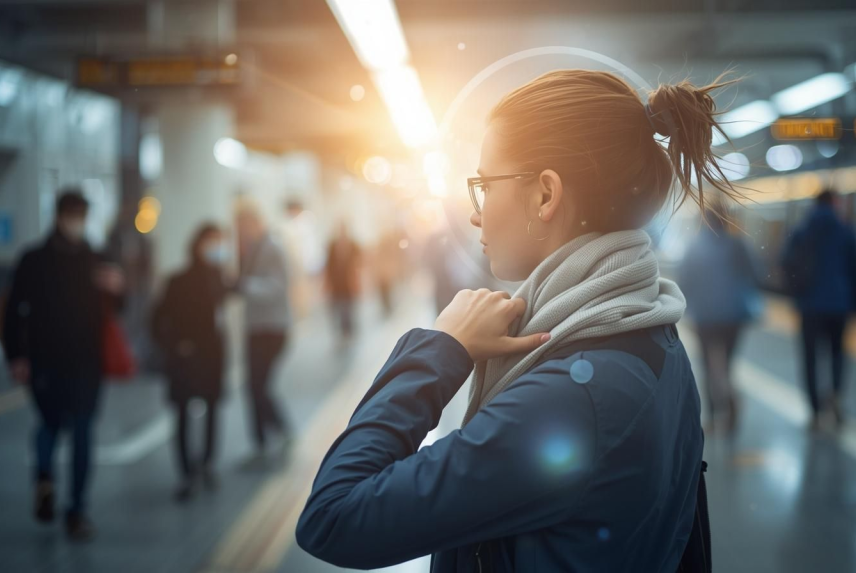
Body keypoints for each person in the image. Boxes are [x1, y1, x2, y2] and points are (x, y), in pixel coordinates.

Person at [297, 69, 741, 571]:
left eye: (485, 184)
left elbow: (333, 517)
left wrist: (441, 347)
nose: (475, 213)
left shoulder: (572, 400)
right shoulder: (653, 332)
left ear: (546, 195)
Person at [2, 190, 124, 541]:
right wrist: (16, 356)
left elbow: (118, 308)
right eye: (73, 215)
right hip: (46, 360)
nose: (77, 223)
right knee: (53, 424)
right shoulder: (34, 260)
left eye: (82, 216)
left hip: (87, 362)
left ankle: (75, 506)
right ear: (58, 216)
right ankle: (52, 486)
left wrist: (116, 289)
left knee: (77, 430)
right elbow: (13, 312)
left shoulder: (96, 258)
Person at [151, 224, 229, 501]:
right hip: (186, 360)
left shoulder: (220, 278)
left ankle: (206, 464)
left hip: (213, 358)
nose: (219, 248)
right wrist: (175, 347)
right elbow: (157, 319)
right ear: (198, 245)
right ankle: (186, 473)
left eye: (221, 242)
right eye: (213, 242)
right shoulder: (179, 280)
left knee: (212, 411)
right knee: (183, 414)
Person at [781, 189, 856, 430]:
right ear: (834, 202)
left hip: (810, 305)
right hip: (839, 304)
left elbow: (786, 262)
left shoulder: (802, 230)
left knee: (810, 358)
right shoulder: (846, 229)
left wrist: (796, 293)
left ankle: (815, 412)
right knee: (837, 353)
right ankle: (835, 395)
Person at [678, 205, 761, 434]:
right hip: (733, 315)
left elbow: (683, 281)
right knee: (727, 364)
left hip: (704, 316)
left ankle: (715, 417)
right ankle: (729, 395)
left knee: (707, 364)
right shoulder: (737, 244)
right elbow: (755, 274)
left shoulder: (694, 246)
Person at [235, 200, 292, 454]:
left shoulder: (272, 248)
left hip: (272, 328)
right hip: (256, 328)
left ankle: (277, 430)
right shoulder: (251, 249)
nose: (240, 230)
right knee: (254, 386)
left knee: (258, 385)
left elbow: (278, 287)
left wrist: (245, 286)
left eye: (243, 225)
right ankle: (262, 440)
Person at [324, 222, 362, 346]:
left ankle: (349, 330)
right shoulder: (332, 245)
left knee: (348, 308)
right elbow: (328, 265)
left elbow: (360, 260)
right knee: (338, 308)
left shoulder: (353, 244)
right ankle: (342, 331)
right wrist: (326, 282)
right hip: (336, 283)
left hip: (349, 283)